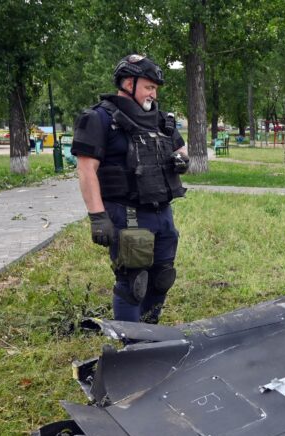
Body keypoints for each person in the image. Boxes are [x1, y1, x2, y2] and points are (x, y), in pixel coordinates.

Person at [71, 54, 189, 324]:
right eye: (149, 87)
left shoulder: (161, 120)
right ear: (127, 83)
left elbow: (181, 151)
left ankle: (150, 332)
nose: (153, 93)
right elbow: (86, 170)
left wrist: (182, 160)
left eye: (155, 88)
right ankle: (131, 344)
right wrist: (98, 217)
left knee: (162, 277)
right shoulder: (99, 118)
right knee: (133, 280)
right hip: (126, 212)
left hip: (162, 211)